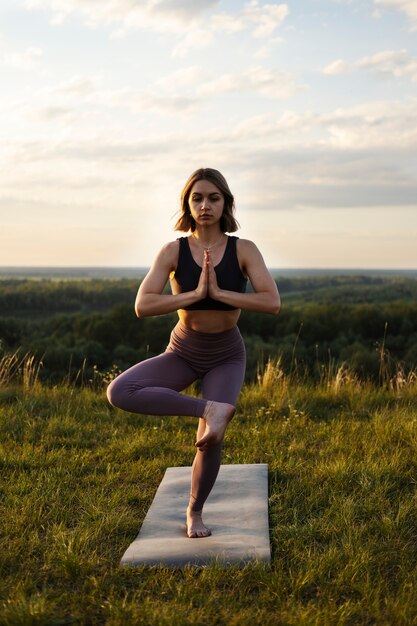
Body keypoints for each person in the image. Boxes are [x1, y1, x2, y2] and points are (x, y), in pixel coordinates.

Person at [107, 167, 280, 538]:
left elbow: (271, 302)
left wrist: (219, 295)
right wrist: (192, 295)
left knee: (211, 437)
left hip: (226, 354)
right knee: (119, 391)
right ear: (187, 204)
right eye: (197, 198)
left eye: (214, 198)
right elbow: (143, 304)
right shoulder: (173, 251)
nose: (205, 205)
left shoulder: (243, 249)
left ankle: (194, 511)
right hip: (183, 349)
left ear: (225, 203)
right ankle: (209, 409)